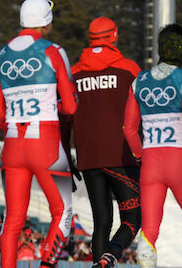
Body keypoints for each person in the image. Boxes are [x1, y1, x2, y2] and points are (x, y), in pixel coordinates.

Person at [0, 0, 78, 268]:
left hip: (13, 145)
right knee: (62, 213)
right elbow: (72, 106)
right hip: (46, 143)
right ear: (46, 22)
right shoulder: (53, 51)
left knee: (13, 219)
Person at [123, 24, 182, 268]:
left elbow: (128, 129)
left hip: (150, 164)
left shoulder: (139, 81)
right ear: (180, 48)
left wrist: (141, 157)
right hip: (180, 163)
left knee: (149, 231)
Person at [67, 17, 142, 268]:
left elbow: (64, 116)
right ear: (114, 36)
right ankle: (109, 258)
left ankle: (100, 261)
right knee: (133, 218)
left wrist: (68, 155)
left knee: (101, 222)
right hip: (122, 156)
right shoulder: (129, 69)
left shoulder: (74, 73)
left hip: (89, 158)